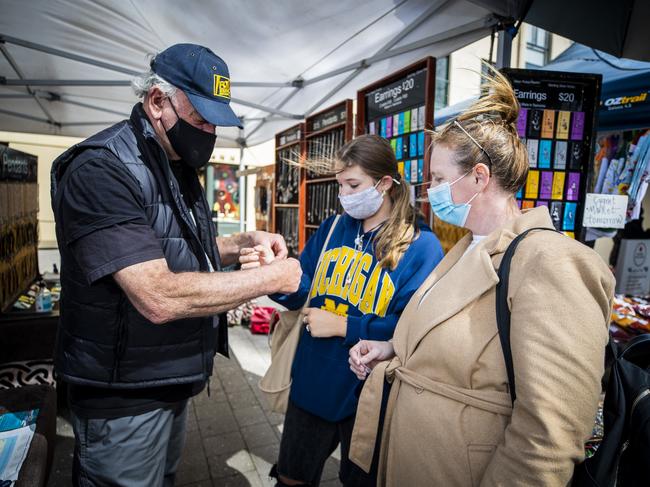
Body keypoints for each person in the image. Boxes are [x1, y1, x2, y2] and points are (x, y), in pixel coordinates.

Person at [50, 43, 301, 487]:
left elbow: (173, 245)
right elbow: (158, 294)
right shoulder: (102, 169)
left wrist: (245, 240)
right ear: (157, 101)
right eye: (200, 118)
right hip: (124, 394)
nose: (208, 132)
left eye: (214, 122)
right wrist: (271, 278)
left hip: (167, 379)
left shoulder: (171, 162)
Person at [348, 69, 615, 486]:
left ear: (479, 177)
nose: (429, 189)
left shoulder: (551, 261)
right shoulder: (465, 246)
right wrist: (392, 349)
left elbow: (549, 434)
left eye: (438, 179)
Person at [241, 134, 444, 486]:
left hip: (368, 395)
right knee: (291, 477)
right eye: (340, 185)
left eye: (353, 184)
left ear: (384, 183)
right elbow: (301, 291)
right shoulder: (333, 227)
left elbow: (413, 328)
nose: (345, 195)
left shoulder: (422, 246)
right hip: (312, 384)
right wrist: (274, 276)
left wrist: (344, 326)